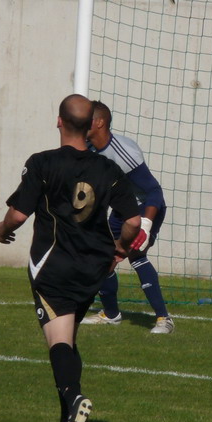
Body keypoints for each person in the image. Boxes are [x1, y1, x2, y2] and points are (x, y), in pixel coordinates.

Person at [0, 94, 141, 422]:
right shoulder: (109, 170)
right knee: (68, 339)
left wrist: (1, 229)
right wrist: (120, 250)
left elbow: (17, 216)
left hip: (53, 266)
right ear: (90, 125)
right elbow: (134, 222)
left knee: (58, 341)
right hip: (92, 268)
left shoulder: (42, 163)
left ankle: (74, 399)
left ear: (59, 121)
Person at [83, 101, 175, 334]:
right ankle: (111, 314)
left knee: (135, 254)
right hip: (122, 208)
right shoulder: (86, 148)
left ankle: (164, 319)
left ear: (100, 122)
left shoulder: (124, 152)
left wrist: (145, 224)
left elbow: (154, 191)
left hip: (146, 208)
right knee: (103, 256)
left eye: (87, 118)